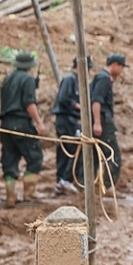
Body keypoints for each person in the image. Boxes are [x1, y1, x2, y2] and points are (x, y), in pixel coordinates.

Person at [0, 52, 45, 206]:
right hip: (21, 123)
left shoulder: (7, 79)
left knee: (9, 158)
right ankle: (29, 194)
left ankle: (10, 196)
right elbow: (29, 103)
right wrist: (39, 122)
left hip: (5, 124)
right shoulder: (28, 80)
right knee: (34, 157)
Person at [93, 53, 125, 188]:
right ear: (115, 65)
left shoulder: (101, 78)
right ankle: (107, 185)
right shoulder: (104, 79)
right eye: (121, 67)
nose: (122, 71)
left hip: (102, 120)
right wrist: (97, 123)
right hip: (103, 121)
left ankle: (90, 184)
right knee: (113, 154)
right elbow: (96, 101)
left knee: (95, 153)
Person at [53, 59, 83, 193]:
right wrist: (78, 106)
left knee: (67, 149)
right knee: (71, 148)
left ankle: (62, 181)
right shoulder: (70, 79)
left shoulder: (76, 80)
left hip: (70, 119)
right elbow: (63, 98)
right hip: (66, 119)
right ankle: (65, 179)